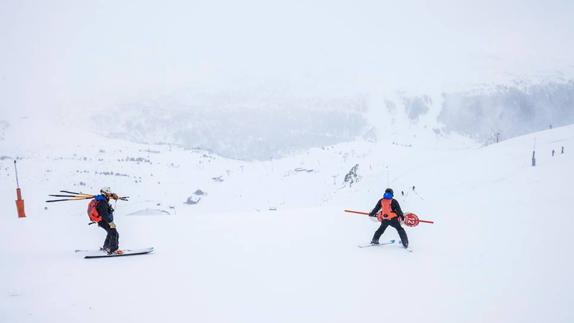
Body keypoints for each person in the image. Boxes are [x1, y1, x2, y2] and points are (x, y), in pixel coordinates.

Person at [88, 187, 123, 255]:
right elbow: (104, 215)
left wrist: (113, 195)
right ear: (105, 193)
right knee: (114, 233)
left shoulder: (102, 199)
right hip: (104, 220)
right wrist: (111, 222)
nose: (110, 194)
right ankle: (113, 250)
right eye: (108, 193)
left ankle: (106, 247)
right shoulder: (102, 202)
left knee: (111, 233)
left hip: (102, 221)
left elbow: (109, 196)